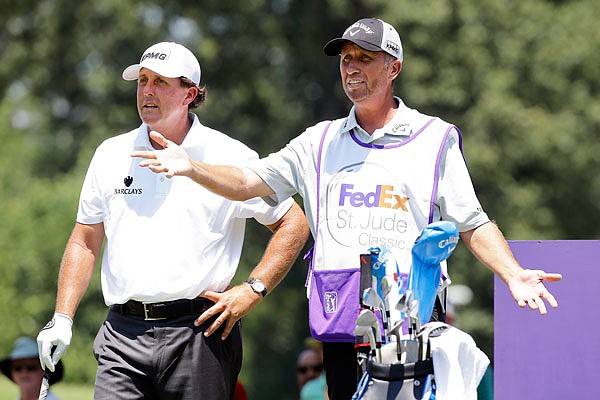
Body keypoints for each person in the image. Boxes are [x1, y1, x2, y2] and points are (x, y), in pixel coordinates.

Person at [131, 18, 563, 400]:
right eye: (345, 59)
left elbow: (472, 222)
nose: (351, 67)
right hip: (340, 310)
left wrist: (512, 272)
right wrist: (191, 167)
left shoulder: (434, 137)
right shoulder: (318, 141)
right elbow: (248, 182)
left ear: (393, 68)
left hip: (409, 310)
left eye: (365, 58)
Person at [36, 41, 309, 400]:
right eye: (142, 80)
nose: (147, 90)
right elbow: (84, 241)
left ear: (189, 94)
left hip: (200, 333)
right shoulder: (110, 154)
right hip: (122, 333)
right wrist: (63, 317)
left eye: (160, 82)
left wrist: (254, 289)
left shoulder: (229, 155)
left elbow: (294, 222)